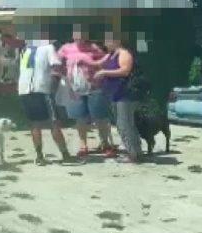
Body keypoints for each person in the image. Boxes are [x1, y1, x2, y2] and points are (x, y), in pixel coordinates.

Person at [16, 33, 73, 164]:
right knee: (53, 123)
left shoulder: (25, 50)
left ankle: (39, 156)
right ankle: (65, 155)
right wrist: (54, 87)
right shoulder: (48, 47)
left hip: (24, 90)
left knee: (35, 123)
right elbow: (56, 67)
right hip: (42, 89)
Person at [57, 26, 113, 158]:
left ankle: (105, 144)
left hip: (95, 87)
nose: (80, 37)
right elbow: (56, 63)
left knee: (100, 117)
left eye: (83, 34)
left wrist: (95, 66)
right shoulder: (65, 48)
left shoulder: (94, 48)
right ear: (73, 35)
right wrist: (64, 74)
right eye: (77, 34)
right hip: (75, 89)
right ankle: (83, 145)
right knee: (80, 118)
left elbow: (106, 62)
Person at [91, 32, 140, 163]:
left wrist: (104, 72)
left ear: (117, 41)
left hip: (125, 95)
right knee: (122, 124)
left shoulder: (124, 53)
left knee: (124, 124)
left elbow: (125, 70)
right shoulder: (111, 55)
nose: (105, 43)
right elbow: (97, 63)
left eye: (108, 41)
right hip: (115, 95)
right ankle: (135, 151)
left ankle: (133, 154)